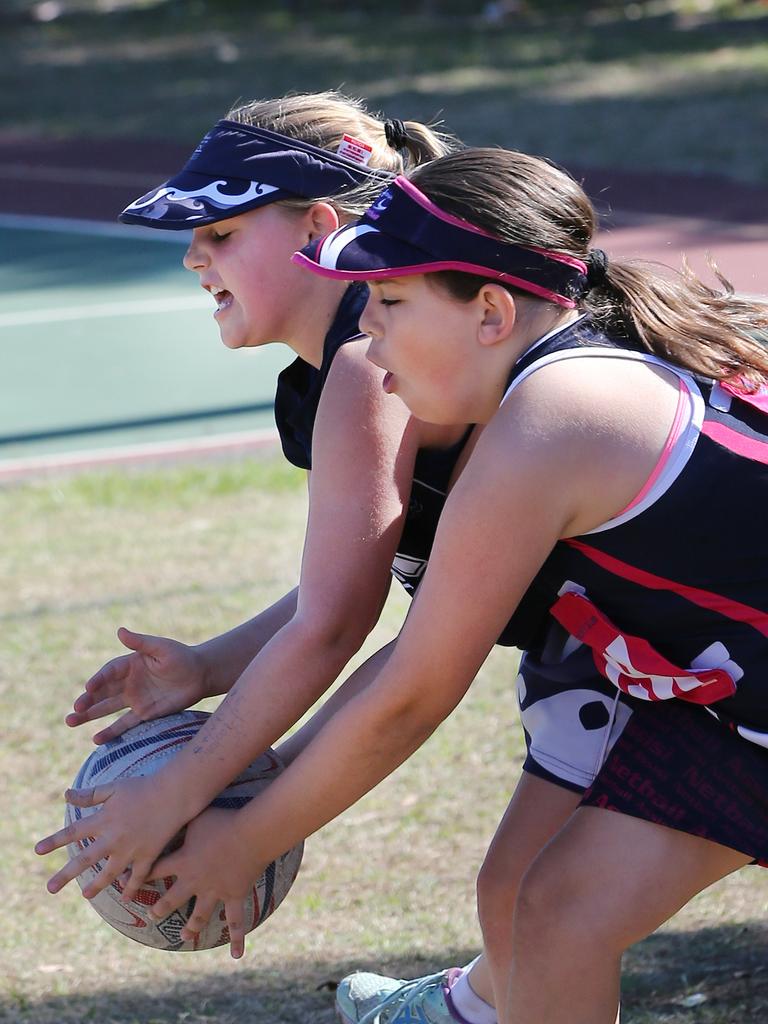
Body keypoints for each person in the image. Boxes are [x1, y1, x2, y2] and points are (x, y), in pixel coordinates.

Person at [37, 145, 768, 1020]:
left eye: (389, 300)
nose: (367, 330)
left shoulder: (553, 417)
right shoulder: (539, 403)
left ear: (491, 313)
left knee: (552, 915)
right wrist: (250, 787)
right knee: (547, 914)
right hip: (728, 709)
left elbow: (415, 690)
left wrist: (243, 835)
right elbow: (406, 655)